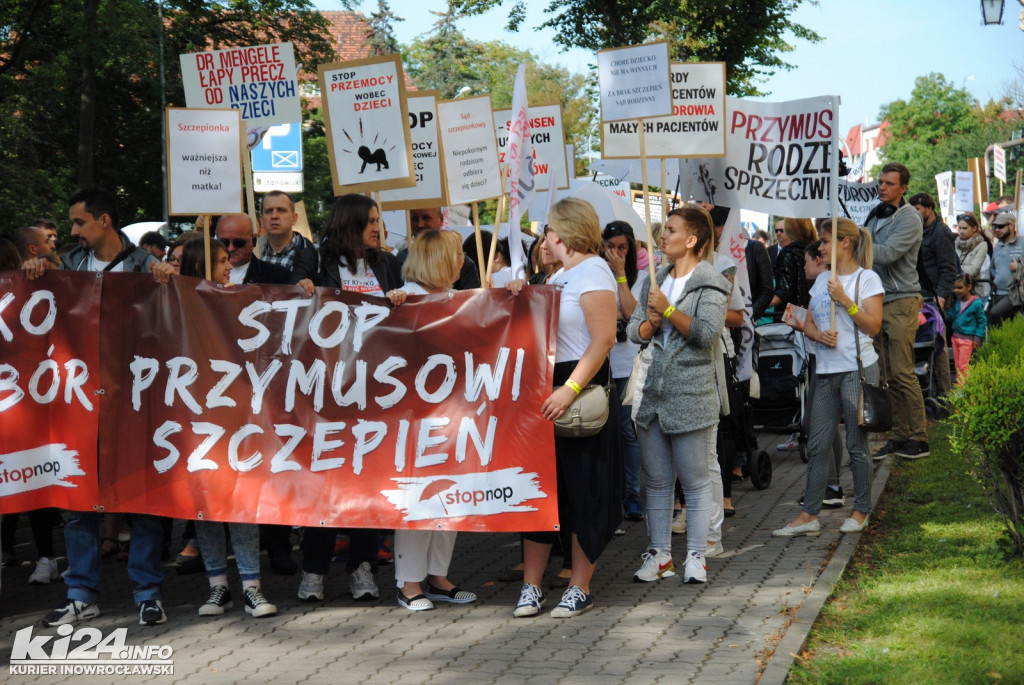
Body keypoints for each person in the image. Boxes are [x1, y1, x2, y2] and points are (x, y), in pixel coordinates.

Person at [21, 187, 175, 627]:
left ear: (104, 220)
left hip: (133, 400)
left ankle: (147, 590)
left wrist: (169, 281)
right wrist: (34, 270)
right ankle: (81, 592)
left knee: (141, 494)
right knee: (76, 498)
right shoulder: (67, 266)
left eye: (79, 222)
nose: (71, 231)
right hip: (79, 401)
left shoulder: (146, 265)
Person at [511, 198, 620, 619]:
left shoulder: (593, 271)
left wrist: (570, 389)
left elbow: (604, 338)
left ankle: (579, 585)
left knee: (583, 491)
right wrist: (520, 295)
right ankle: (531, 586)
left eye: (547, 228)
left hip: (576, 391)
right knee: (543, 491)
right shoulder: (558, 276)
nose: (543, 236)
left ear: (561, 232)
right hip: (547, 391)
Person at [299, 193, 401, 603]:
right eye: (370, 221)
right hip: (328, 391)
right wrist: (302, 289)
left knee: (367, 482)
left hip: (377, 389)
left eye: (378, 220)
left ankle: (362, 566)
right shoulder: (319, 264)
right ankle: (314, 569)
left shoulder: (388, 265)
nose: (378, 227)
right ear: (350, 225)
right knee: (326, 481)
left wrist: (401, 301)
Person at [626, 206, 729, 585]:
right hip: (652, 391)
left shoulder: (711, 282)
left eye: (670, 230)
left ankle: (697, 556)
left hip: (691, 393)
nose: (662, 236)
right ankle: (660, 555)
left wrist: (667, 310)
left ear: (692, 240)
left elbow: (705, 334)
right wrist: (650, 322)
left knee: (695, 479)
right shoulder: (654, 280)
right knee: (655, 480)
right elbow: (633, 332)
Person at [178, 241, 279, 618]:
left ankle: (252, 586)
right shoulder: (177, 300)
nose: (229, 265)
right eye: (220, 260)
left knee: (241, 500)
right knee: (205, 503)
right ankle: (218, 587)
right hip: (195, 413)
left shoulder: (240, 297)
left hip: (237, 411)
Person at [384, 230, 478, 611]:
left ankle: (438, 576)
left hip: (453, 415)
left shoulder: (458, 301)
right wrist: (394, 307)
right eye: (457, 255)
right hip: (412, 420)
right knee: (416, 496)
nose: (463, 263)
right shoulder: (403, 300)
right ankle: (408, 583)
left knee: (449, 492)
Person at [773, 217, 883, 538]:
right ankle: (810, 513)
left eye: (824, 241)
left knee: (856, 444)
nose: (819, 247)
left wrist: (846, 302)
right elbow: (808, 320)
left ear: (844, 243)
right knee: (818, 443)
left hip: (856, 369)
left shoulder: (867, 279)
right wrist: (818, 336)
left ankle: (861, 510)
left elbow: (874, 326)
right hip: (825, 371)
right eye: (820, 242)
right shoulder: (821, 281)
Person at [864, 162, 929, 460]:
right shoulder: (877, 214)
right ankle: (901, 436)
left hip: (902, 300)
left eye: (889, 184)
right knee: (888, 374)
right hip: (879, 300)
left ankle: (920, 437)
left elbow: (888, 254)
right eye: (881, 182)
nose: (882, 187)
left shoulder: (910, 218)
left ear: (903, 188)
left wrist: (856, 242)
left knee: (903, 371)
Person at [602, 221, 648, 522]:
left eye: (622, 248)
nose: (616, 253)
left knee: (629, 434)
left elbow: (634, 314)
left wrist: (620, 277)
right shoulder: (594, 274)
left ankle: (632, 495)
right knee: (605, 436)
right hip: (601, 364)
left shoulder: (642, 277)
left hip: (628, 365)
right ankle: (610, 498)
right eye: (610, 247)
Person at [909, 192, 958, 395]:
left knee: (938, 349)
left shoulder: (941, 232)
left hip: (934, 298)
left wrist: (941, 295)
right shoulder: (917, 230)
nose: (914, 213)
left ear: (929, 208)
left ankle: (945, 394)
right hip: (918, 297)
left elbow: (949, 268)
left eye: (917, 209)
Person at [398, 206, 480, 289]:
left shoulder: (463, 264)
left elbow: (471, 300)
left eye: (426, 218)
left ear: (441, 219)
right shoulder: (400, 260)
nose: (420, 224)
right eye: (414, 219)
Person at [215, 214, 294, 286]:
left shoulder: (278, 277)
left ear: (253, 240)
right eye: (224, 242)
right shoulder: (205, 273)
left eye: (239, 243)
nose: (231, 248)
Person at [256, 190, 318, 282]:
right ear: (261, 220)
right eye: (269, 211)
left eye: (281, 210)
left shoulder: (314, 256)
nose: (274, 216)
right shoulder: (251, 252)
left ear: (294, 218)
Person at [769, 218, 817, 313]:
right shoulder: (818, 249)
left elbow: (784, 291)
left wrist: (758, 306)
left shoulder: (788, 253)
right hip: (816, 311)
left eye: (782, 229)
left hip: (790, 314)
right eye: (777, 230)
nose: (779, 233)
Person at [946, 273, 987, 384]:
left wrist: (978, 337)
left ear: (969, 287)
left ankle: (963, 390)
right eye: (954, 288)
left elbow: (982, 321)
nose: (956, 290)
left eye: (960, 288)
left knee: (963, 366)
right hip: (955, 338)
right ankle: (962, 387)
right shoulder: (957, 303)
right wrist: (948, 307)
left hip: (967, 339)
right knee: (957, 365)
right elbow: (951, 317)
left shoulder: (976, 304)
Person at [987, 213, 1023, 327]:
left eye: (1001, 226)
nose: (997, 230)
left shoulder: (1022, 242)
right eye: (995, 227)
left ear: (1011, 226)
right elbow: (992, 267)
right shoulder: (998, 245)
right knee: (1007, 322)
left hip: (1015, 292)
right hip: (998, 291)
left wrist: (1019, 267)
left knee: (994, 313)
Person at [954, 212, 990, 301]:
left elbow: (973, 270)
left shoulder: (982, 245)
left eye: (965, 228)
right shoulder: (955, 243)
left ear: (974, 228)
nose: (961, 231)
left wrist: (955, 268)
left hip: (973, 291)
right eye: (960, 228)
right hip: (955, 290)